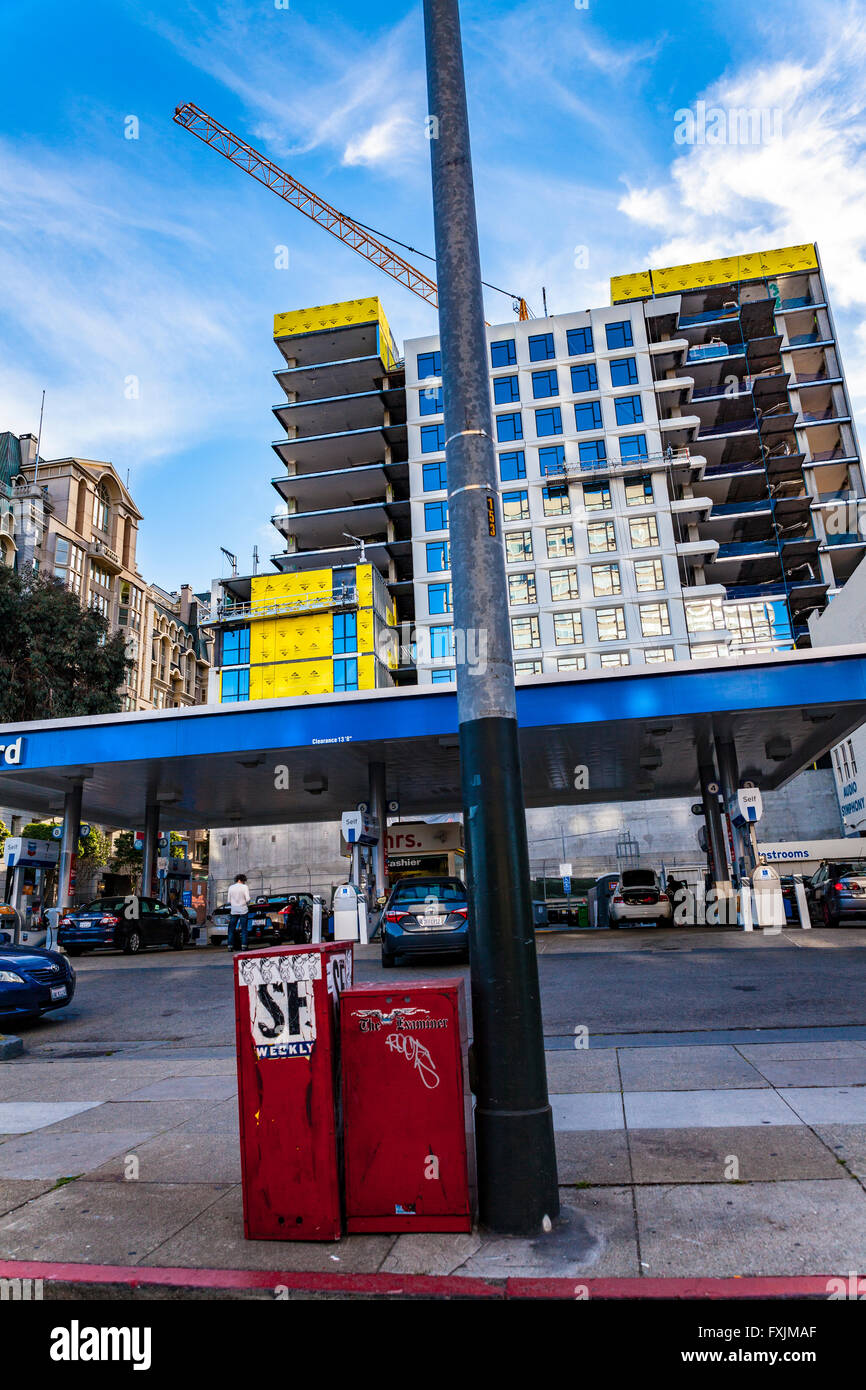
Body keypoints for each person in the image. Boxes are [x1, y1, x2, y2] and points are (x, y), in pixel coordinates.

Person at [226, 873, 251, 951]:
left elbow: (228, 900)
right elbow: (248, 899)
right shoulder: (245, 887)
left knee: (231, 929)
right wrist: (245, 902)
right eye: (244, 881)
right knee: (244, 929)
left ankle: (230, 946)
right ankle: (244, 945)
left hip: (234, 910)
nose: (244, 882)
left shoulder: (231, 887)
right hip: (243, 910)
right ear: (241, 880)